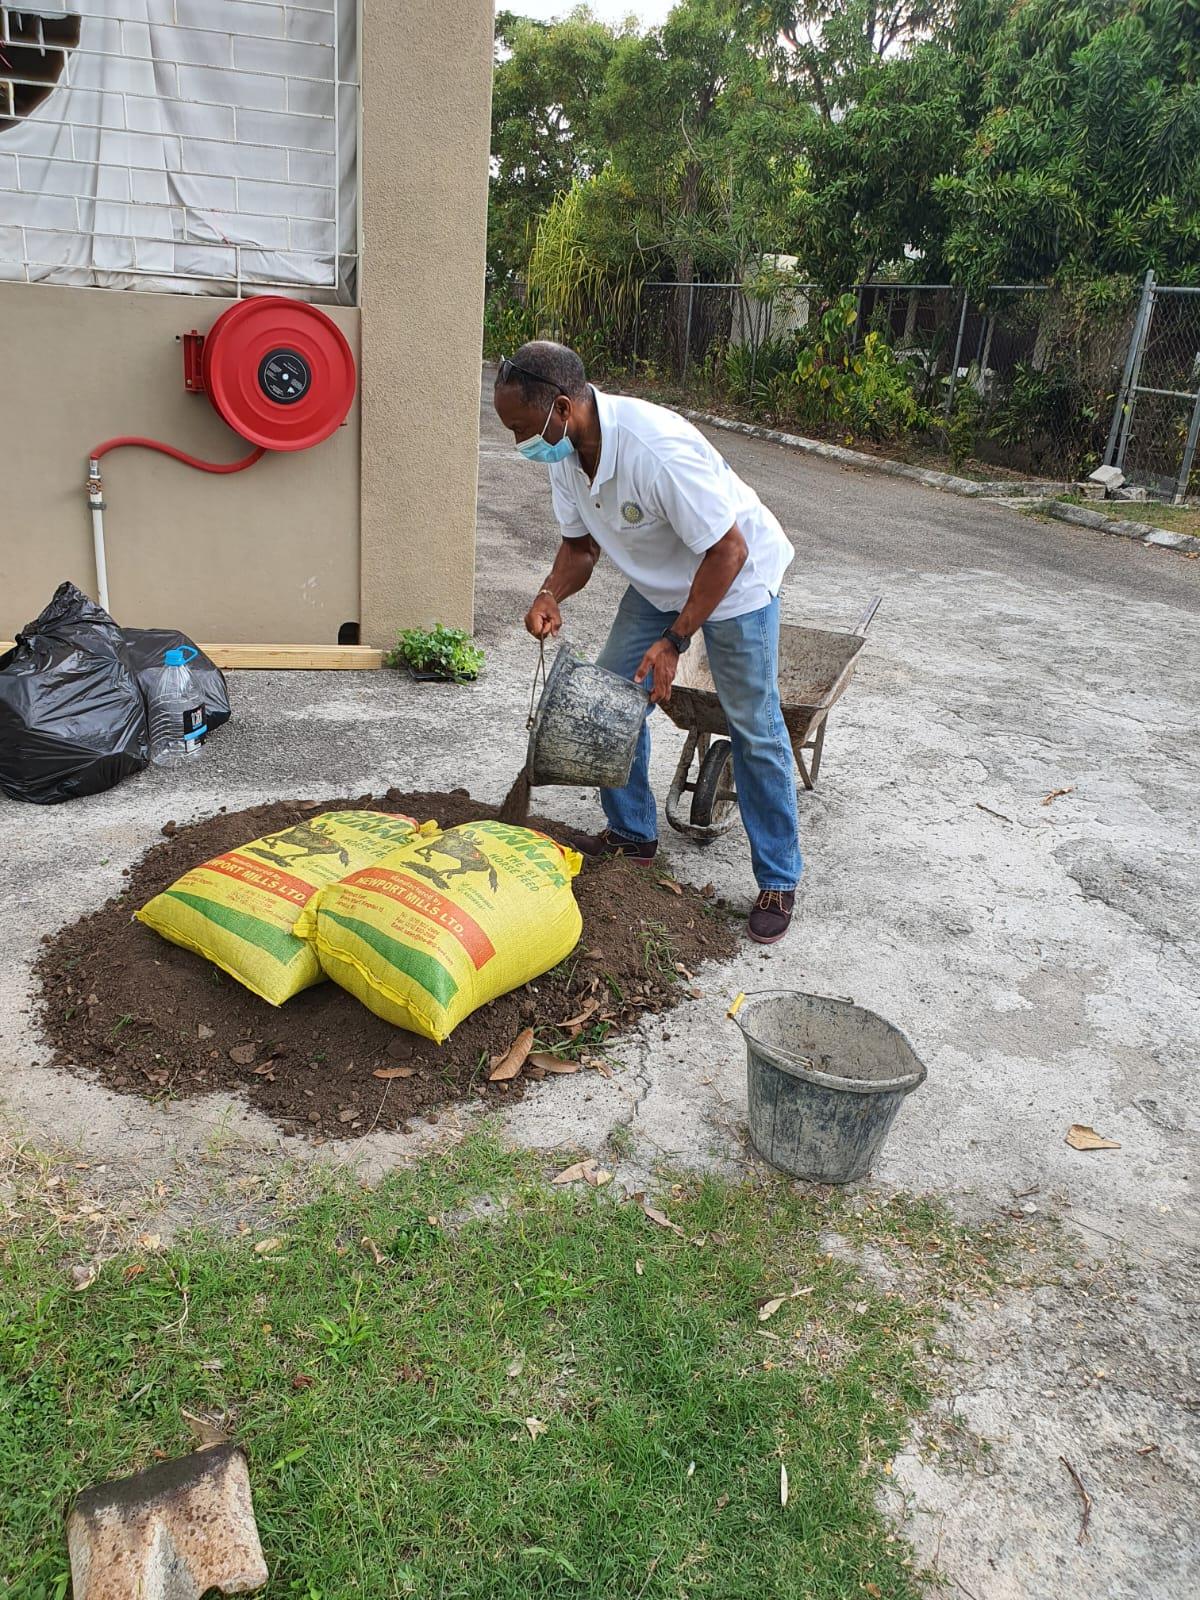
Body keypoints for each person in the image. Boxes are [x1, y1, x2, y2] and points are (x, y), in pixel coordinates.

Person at [494, 340, 801, 944]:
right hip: (662, 584)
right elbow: (581, 547)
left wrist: (675, 641)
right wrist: (550, 591)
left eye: (521, 427)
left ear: (561, 407)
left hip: (736, 581)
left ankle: (778, 878)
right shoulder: (565, 453)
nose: (517, 441)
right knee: (608, 698)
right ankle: (633, 834)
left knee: (753, 726)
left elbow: (728, 551)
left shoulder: (655, 450)